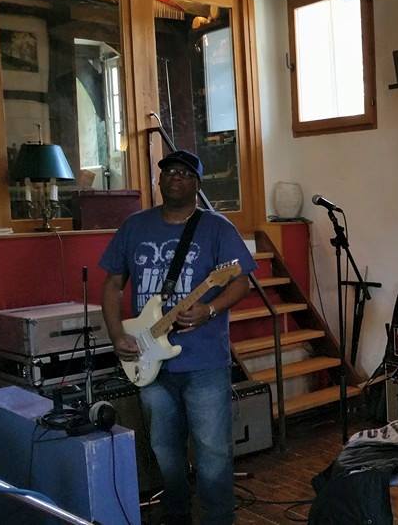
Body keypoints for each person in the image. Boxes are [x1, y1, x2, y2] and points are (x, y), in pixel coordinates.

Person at [100, 150, 256, 525]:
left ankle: (218, 519)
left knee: (213, 453)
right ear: (159, 180)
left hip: (204, 363)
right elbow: (113, 284)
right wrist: (117, 333)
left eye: (185, 173)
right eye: (169, 171)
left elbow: (241, 282)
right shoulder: (135, 227)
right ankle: (176, 514)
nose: (175, 177)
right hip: (148, 360)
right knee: (164, 449)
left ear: (197, 184)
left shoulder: (217, 228)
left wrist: (210, 309)